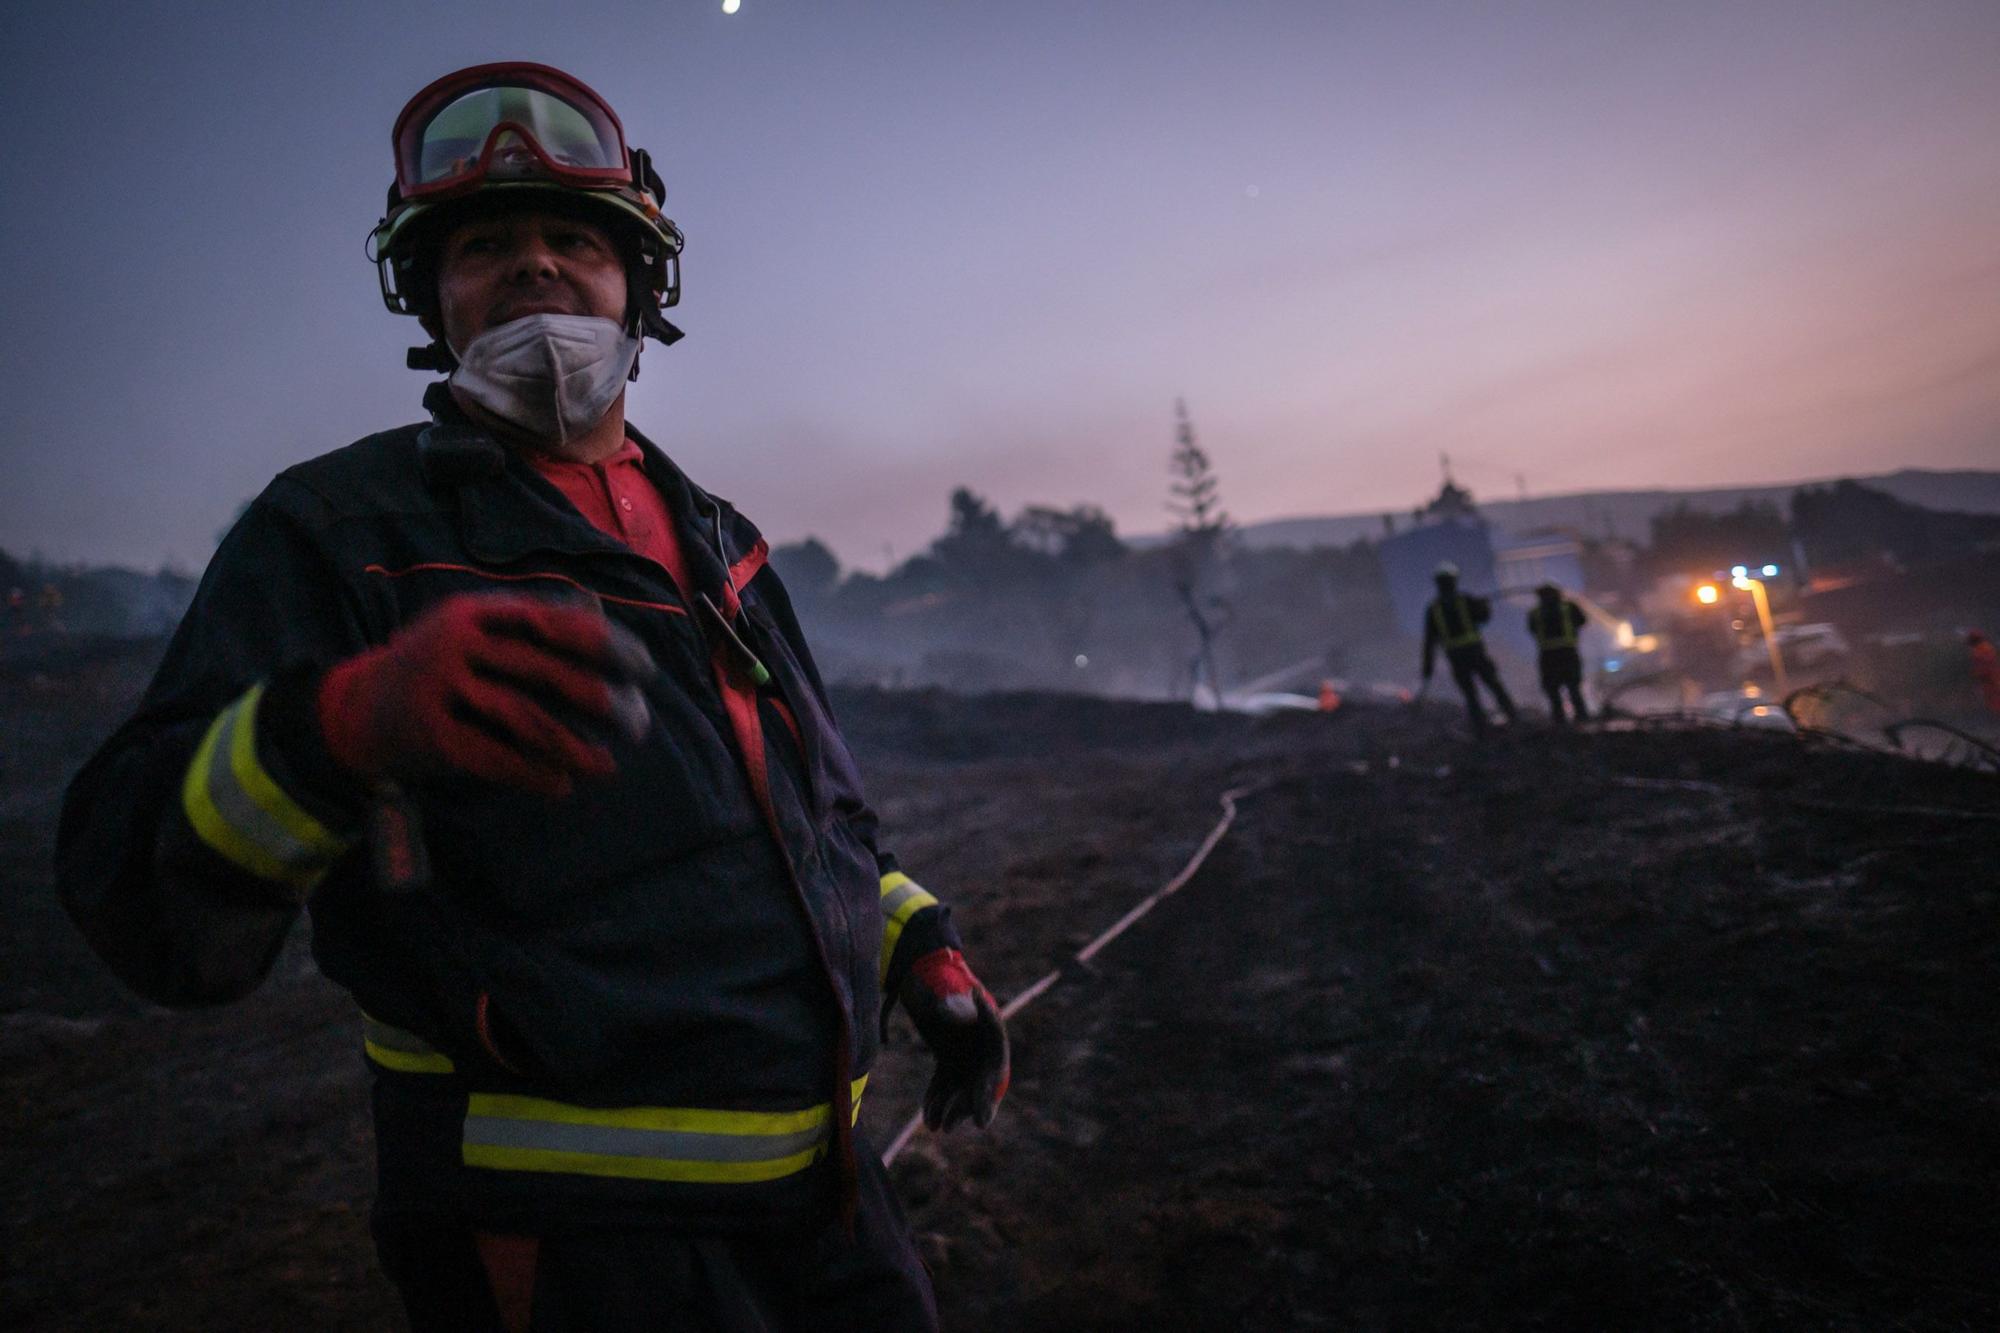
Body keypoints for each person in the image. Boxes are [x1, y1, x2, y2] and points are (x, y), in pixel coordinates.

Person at [56, 62, 1006, 1333]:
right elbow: (135, 887)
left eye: (574, 238)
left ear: (642, 285)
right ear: (427, 295)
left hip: (831, 1221)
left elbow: (817, 818)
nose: (536, 267)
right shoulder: (339, 531)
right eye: (486, 245)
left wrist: (919, 945)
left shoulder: (722, 542)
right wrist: (332, 731)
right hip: (559, 1253)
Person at [1419, 561, 1517, 737]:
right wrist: (1484, 606)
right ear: (1454, 581)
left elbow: (1430, 642)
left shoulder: (1433, 609)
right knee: (1494, 685)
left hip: (1456, 658)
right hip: (1475, 653)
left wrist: (1428, 667)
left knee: (1470, 693)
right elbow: (1484, 617)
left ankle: (1480, 727)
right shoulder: (1466, 600)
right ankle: (1514, 718)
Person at [1527, 582, 1589, 724]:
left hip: (1548, 656)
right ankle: (1582, 718)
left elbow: (1532, 630)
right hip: (1568, 653)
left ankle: (1560, 720)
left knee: (1553, 691)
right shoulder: (1569, 607)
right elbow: (1582, 621)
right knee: (1574, 687)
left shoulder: (1534, 613)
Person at [1968, 630, 2000, 715]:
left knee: (1992, 699)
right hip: (1994, 677)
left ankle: (1993, 717)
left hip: (1988, 679)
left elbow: (1981, 667)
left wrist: (1976, 677)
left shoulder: (1978, 651)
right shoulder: (1989, 647)